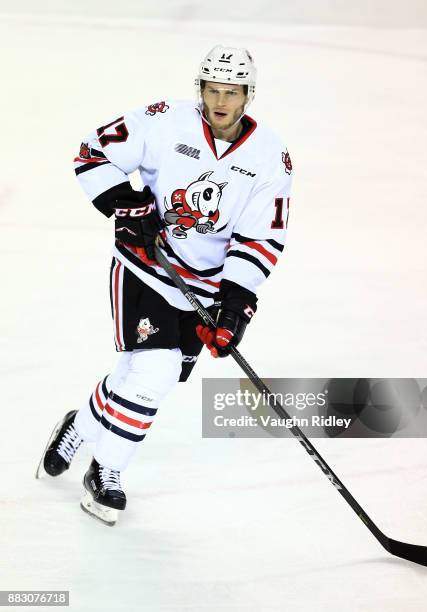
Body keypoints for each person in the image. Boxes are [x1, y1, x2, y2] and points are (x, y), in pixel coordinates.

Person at [36, 45, 293, 525]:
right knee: (153, 374)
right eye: (212, 89)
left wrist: (235, 308)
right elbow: (93, 152)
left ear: (247, 97)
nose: (220, 100)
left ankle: (81, 426)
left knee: (136, 375)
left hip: (203, 288)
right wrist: (127, 206)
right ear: (200, 90)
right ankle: (105, 472)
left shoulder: (270, 158)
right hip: (143, 266)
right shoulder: (163, 120)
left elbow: (260, 238)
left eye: (231, 92)